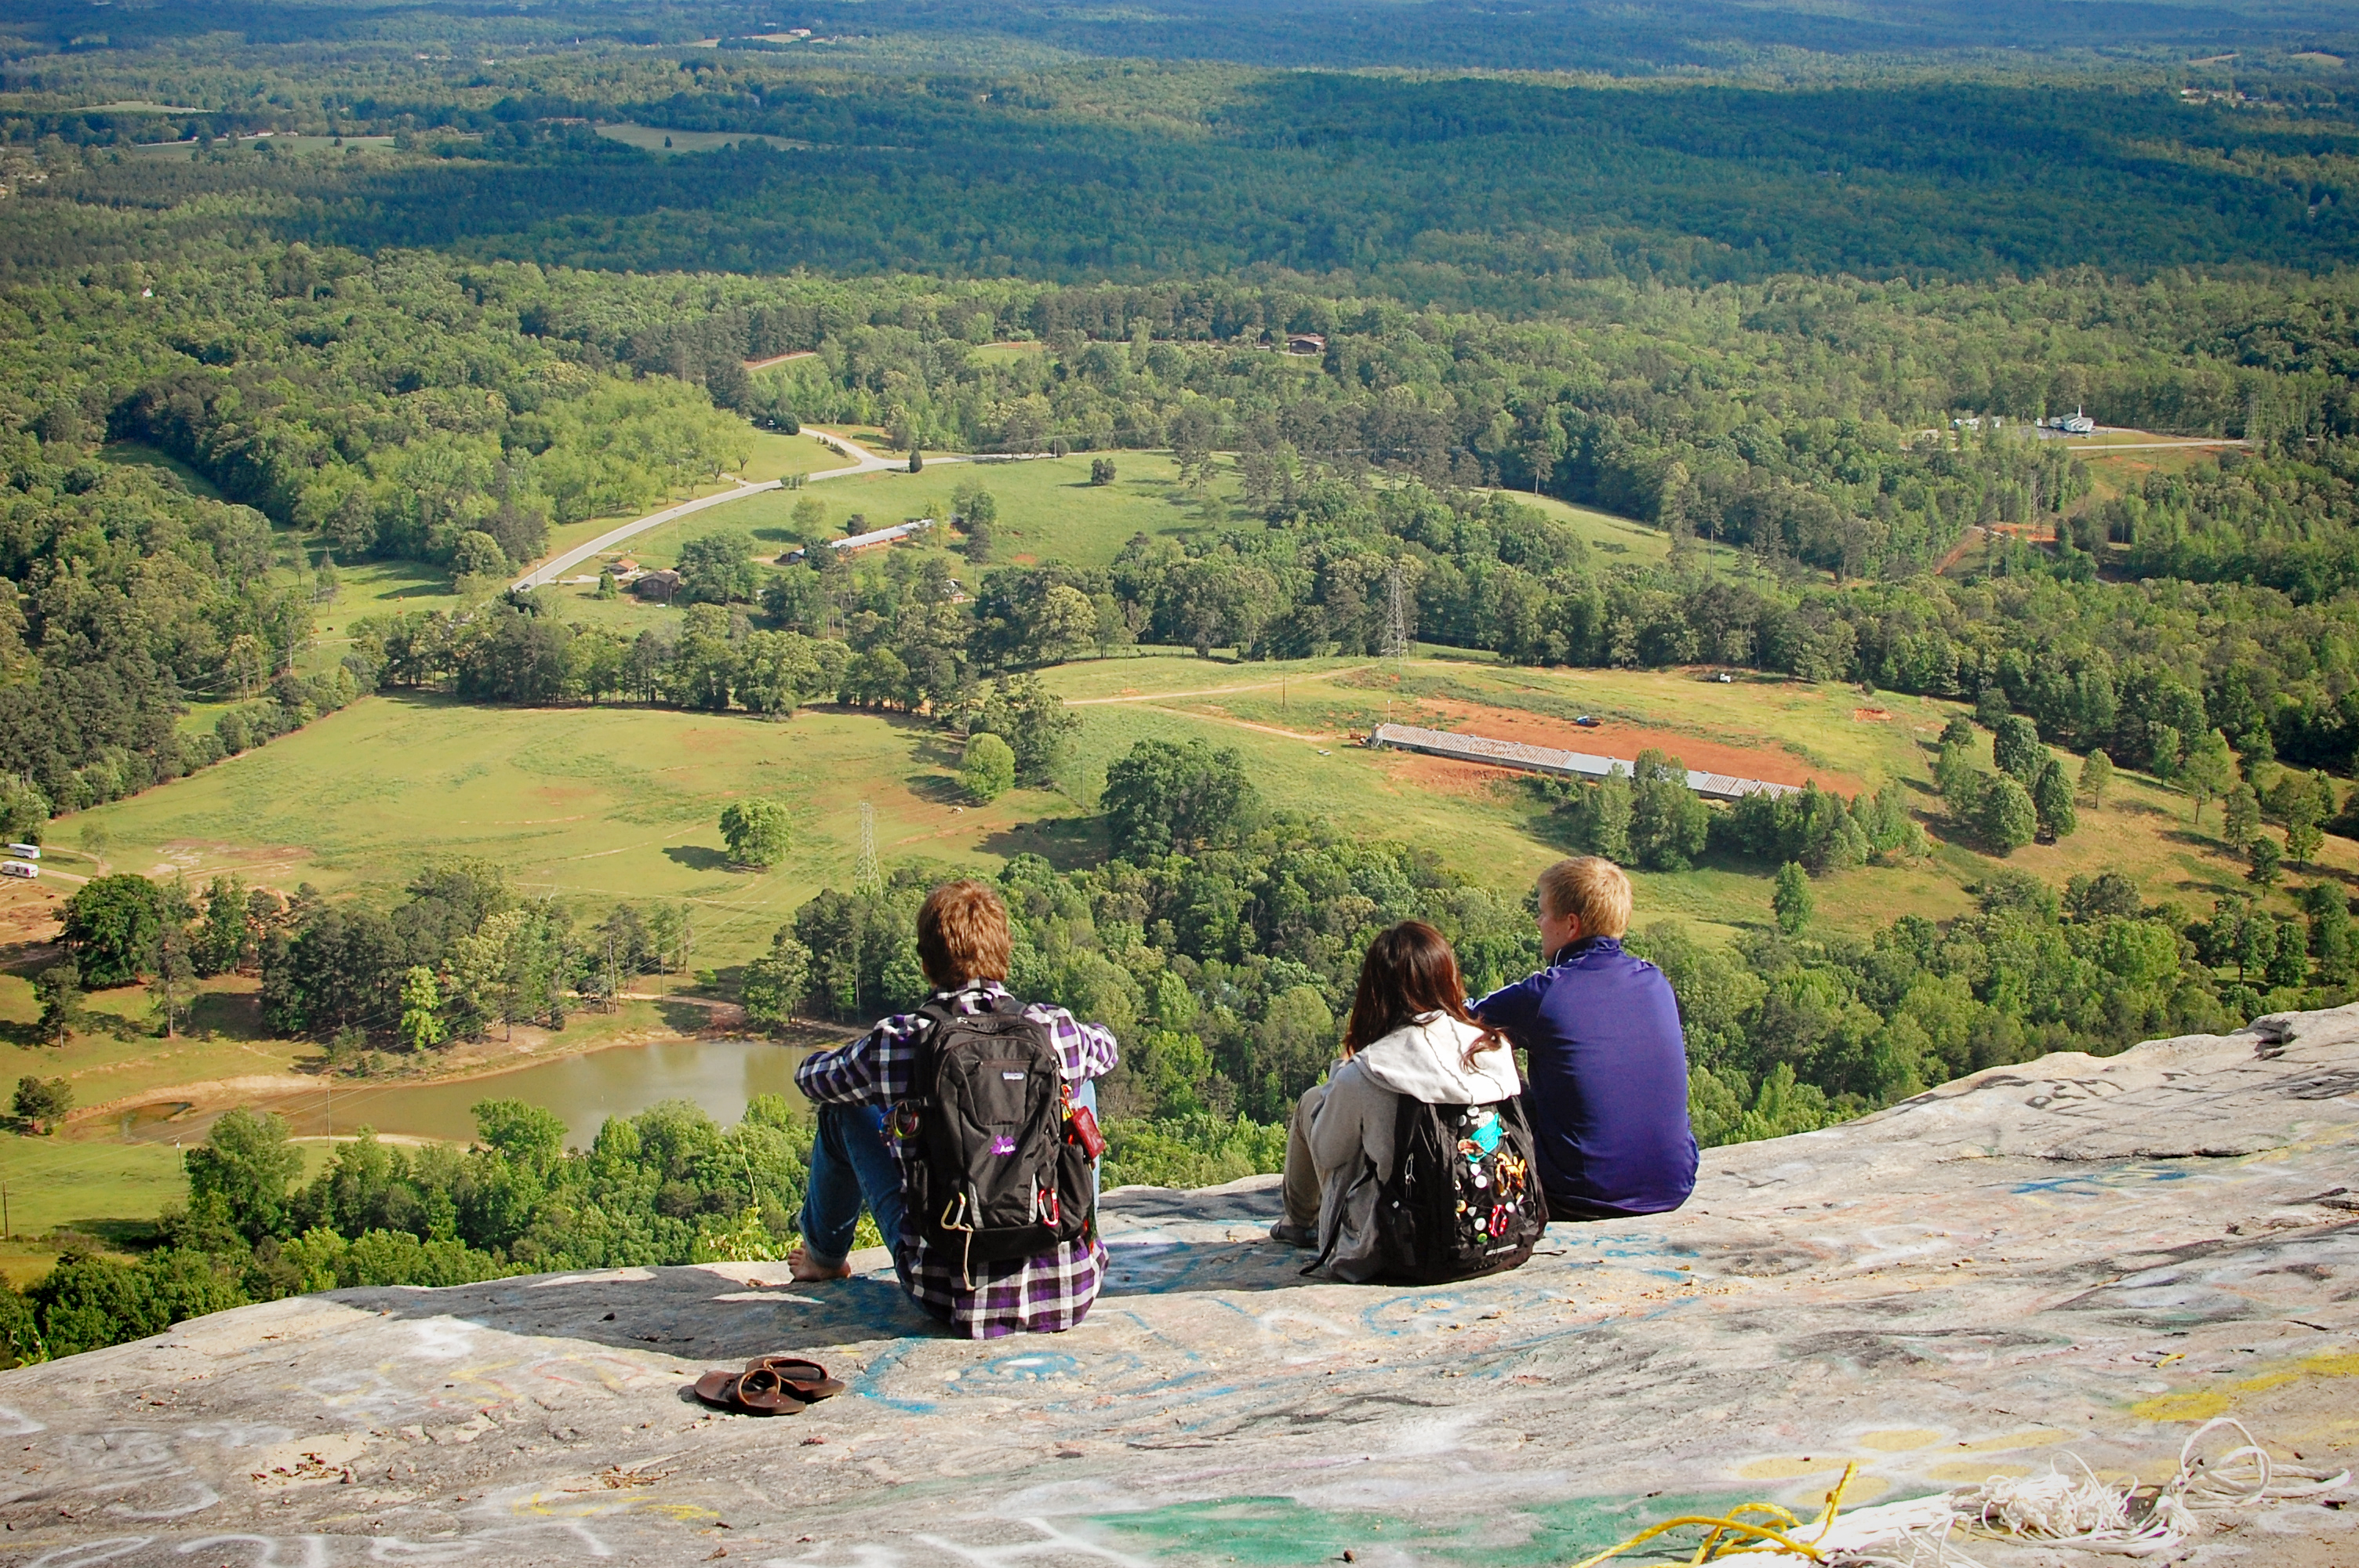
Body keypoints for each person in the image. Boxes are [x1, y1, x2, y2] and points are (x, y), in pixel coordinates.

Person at [789, 879, 1118, 1338]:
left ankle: (823, 1260)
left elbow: (811, 1081)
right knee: (1077, 1089)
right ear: (1006, 955)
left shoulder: (901, 1040)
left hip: (948, 1293)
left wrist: (865, 1063)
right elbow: (1109, 1048)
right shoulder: (1051, 1028)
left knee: (842, 1110)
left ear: (926, 964)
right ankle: (1076, 1232)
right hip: (1072, 1291)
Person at [1269, 920, 1524, 1280]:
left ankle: (1298, 1223)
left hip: (1400, 1245)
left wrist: (1340, 1074)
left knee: (1314, 1103)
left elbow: (1327, 1153)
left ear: (1375, 991)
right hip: (1490, 1226)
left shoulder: (1369, 1070)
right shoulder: (1492, 1047)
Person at [1471, 855, 1697, 1221]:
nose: (1538, 922)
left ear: (1571, 925)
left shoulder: (1547, 994)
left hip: (1579, 1194)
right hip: (1673, 1184)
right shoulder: (1656, 982)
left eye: (1544, 913)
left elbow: (1461, 1020)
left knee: (1490, 1058)